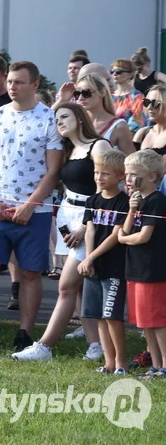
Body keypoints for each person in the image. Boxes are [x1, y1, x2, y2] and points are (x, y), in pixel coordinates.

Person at [0, 61, 63, 355]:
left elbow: (53, 171)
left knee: (31, 273)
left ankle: (24, 333)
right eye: (10, 81)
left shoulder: (49, 119)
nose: (12, 87)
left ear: (34, 83)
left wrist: (31, 206)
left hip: (35, 211)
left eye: (18, 82)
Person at [11, 103, 110, 362]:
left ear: (79, 117)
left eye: (65, 117)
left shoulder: (98, 146)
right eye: (56, 120)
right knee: (77, 290)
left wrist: (87, 226)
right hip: (68, 217)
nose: (60, 122)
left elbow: (109, 192)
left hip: (90, 223)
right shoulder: (69, 149)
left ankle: (44, 347)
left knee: (66, 286)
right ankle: (96, 345)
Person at [76, 149, 130, 374]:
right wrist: (88, 258)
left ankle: (121, 363)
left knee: (112, 316)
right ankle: (108, 362)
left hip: (113, 267)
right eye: (97, 172)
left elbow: (116, 235)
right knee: (99, 315)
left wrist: (92, 257)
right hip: (94, 266)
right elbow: (90, 230)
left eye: (105, 174)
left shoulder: (123, 202)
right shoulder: (92, 200)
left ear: (120, 176)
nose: (99, 177)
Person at [118, 149, 166, 378]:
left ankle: (165, 365)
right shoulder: (137, 200)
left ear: (152, 177)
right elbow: (126, 228)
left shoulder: (156, 201)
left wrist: (123, 239)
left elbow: (142, 236)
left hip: (152, 270)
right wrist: (131, 209)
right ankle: (155, 365)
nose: (128, 179)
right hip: (135, 268)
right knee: (145, 322)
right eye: (126, 174)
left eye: (134, 174)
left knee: (158, 321)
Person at [74, 73, 135, 154]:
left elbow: (131, 160)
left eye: (86, 93)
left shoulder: (118, 126)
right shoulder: (75, 123)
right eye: (77, 94)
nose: (81, 98)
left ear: (102, 92)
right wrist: (62, 100)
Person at [110, 58, 150, 134]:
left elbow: (137, 124)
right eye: (112, 71)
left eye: (119, 72)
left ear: (130, 74)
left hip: (126, 139)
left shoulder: (136, 96)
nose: (114, 74)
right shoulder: (109, 96)